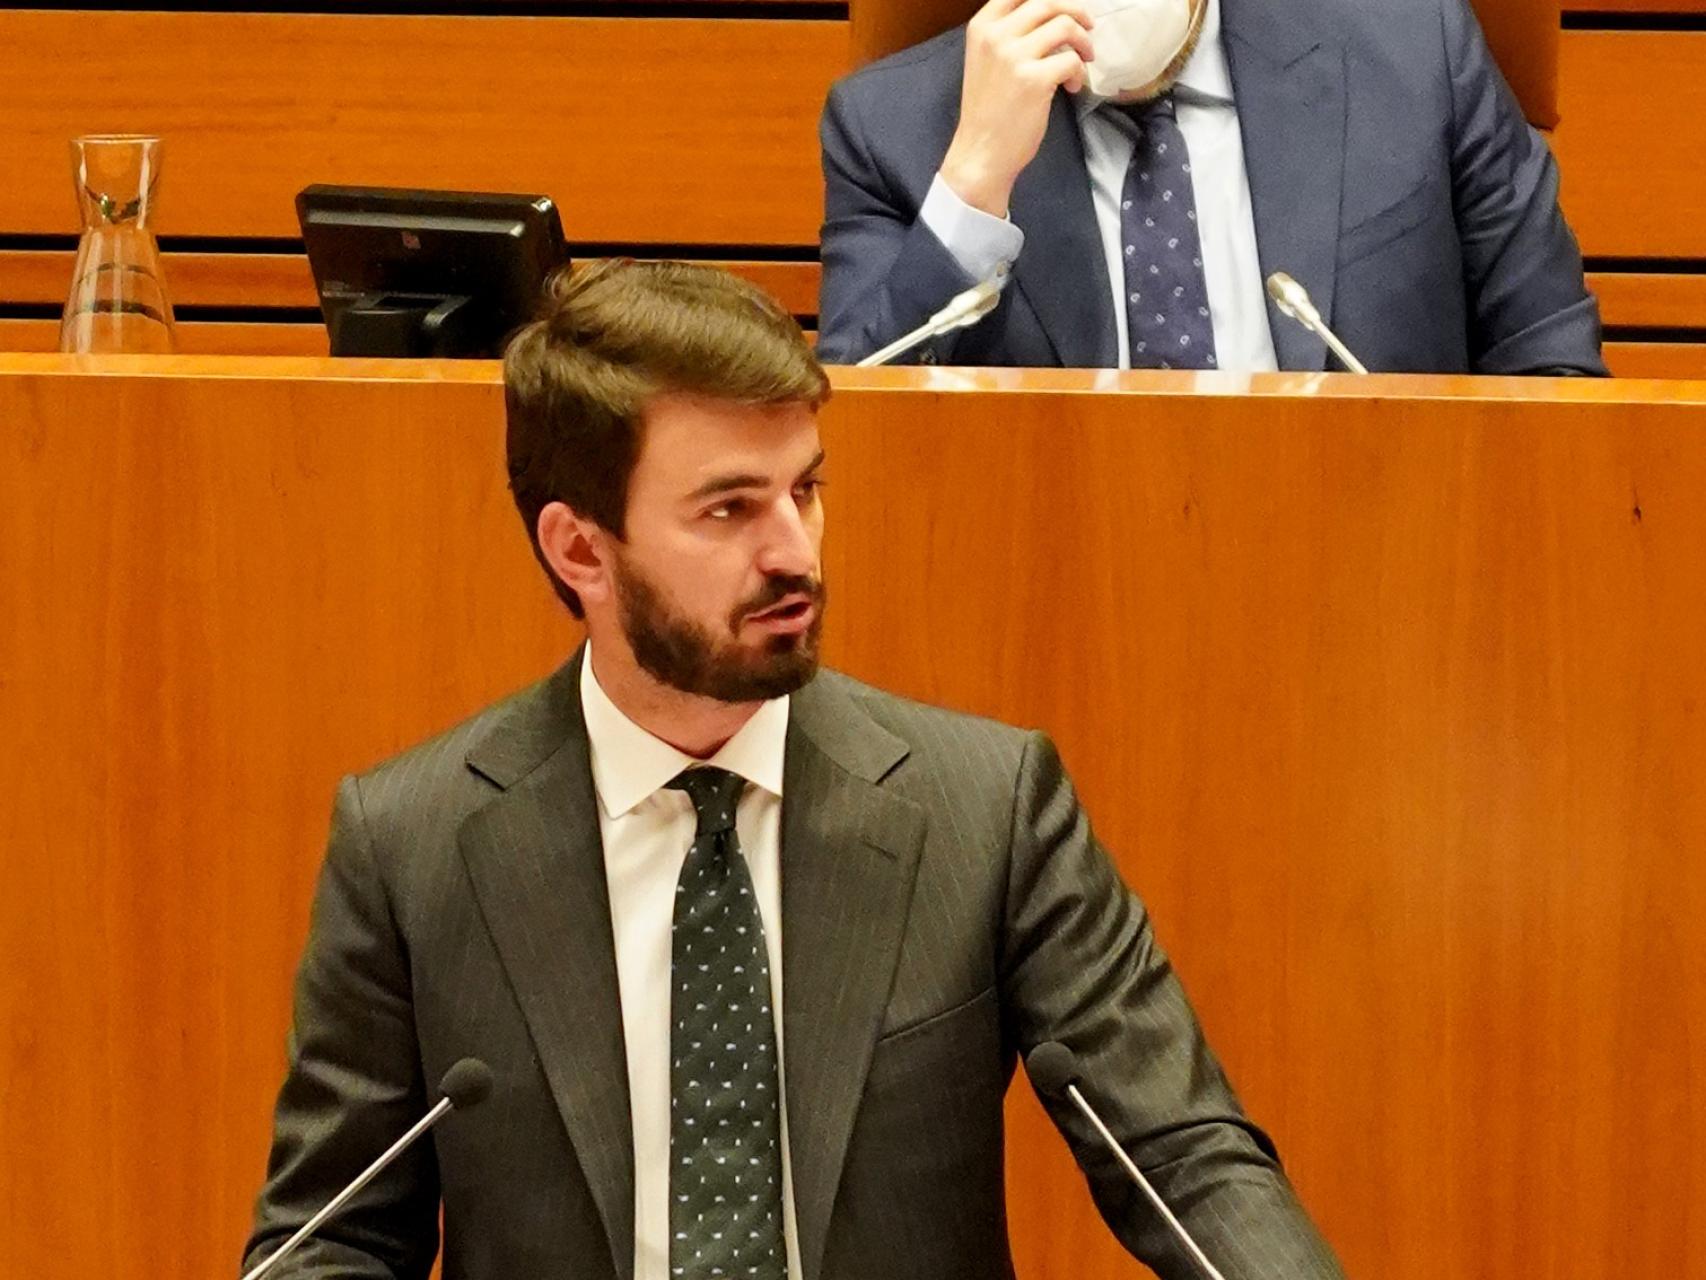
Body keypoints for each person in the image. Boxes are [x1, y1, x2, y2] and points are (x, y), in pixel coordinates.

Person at [242, 260, 1345, 1280]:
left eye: (803, 491)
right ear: (579, 549)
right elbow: (328, 1235)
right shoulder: (415, 842)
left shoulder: (983, 805)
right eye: (729, 508)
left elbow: (1182, 1153)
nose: (795, 553)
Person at [816, 0, 1607, 375]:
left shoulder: (1414, 54)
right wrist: (975, 180)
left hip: (1382, 581)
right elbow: (850, 448)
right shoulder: (894, 127)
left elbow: (1554, 367)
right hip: (1055, 610)